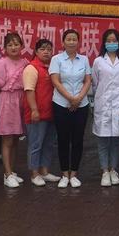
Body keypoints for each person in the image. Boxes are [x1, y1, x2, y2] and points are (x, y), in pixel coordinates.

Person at [49, 29, 92, 189]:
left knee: (78, 140)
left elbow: (87, 80)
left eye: (74, 39)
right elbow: (55, 81)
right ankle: (64, 174)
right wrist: (70, 98)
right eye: (69, 39)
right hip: (61, 104)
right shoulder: (56, 59)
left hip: (81, 105)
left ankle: (73, 174)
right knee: (63, 140)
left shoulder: (84, 60)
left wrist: (78, 98)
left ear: (78, 42)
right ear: (63, 42)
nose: (72, 42)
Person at [92, 29, 119, 187]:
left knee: (116, 140)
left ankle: (113, 169)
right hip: (103, 104)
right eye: (108, 41)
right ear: (104, 43)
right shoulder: (98, 61)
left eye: (114, 41)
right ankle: (104, 171)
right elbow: (95, 83)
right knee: (102, 140)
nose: (112, 43)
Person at [0, 32, 29, 188]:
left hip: (21, 99)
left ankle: (12, 171)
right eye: (10, 45)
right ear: (5, 47)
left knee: (16, 138)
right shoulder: (1, 63)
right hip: (7, 99)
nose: (13, 47)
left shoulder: (25, 63)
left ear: (22, 46)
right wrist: (4, 100)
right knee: (7, 138)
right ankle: (6, 173)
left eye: (16, 44)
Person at [23, 39, 60, 187]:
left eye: (49, 49)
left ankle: (44, 171)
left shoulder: (52, 68)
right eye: (43, 49)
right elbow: (29, 90)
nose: (46, 52)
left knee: (48, 144)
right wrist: (34, 110)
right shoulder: (31, 68)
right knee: (36, 144)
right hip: (36, 113)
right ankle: (34, 173)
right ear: (36, 51)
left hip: (51, 112)